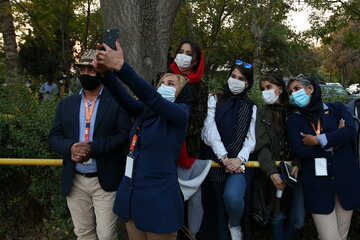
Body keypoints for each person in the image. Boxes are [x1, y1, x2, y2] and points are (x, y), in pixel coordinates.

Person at [93, 41, 192, 240]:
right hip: (132, 202)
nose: (164, 86)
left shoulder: (180, 115)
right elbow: (124, 98)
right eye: (162, 83)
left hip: (160, 205)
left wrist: (122, 68)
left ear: (181, 94)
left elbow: (152, 98)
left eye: (171, 84)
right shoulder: (146, 113)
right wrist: (105, 74)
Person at [48, 49, 132, 240]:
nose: (86, 74)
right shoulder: (66, 104)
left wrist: (92, 148)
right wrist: (71, 147)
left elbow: (124, 135)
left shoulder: (117, 101)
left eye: (91, 70)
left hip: (105, 180)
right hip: (75, 180)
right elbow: (54, 136)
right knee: (83, 233)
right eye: (82, 70)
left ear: (102, 72)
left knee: (107, 235)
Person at [286, 74, 360, 240]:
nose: (293, 94)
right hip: (318, 187)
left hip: (345, 181)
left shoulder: (337, 108)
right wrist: (334, 142)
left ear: (310, 89)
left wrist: (318, 140)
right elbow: (300, 150)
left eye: (296, 88)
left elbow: (349, 132)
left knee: (342, 236)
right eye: (290, 92)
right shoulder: (294, 120)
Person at [199, 60, 257, 240]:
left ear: (248, 84)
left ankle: (235, 225)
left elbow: (250, 139)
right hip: (218, 162)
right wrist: (224, 158)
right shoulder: (214, 98)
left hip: (240, 164)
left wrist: (239, 160)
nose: (235, 80)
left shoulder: (251, 106)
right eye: (233, 76)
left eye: (241, 78)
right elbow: (209, 132)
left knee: (233, 198)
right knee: (218, 211)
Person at [255, 74, 304, 240]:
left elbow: (301, 142)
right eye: (262, 89)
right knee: (277, 216)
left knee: (298, 220)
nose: (265, 91)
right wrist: (272, 173)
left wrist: (298, 163)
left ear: (280, 89)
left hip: (296, 172)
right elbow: (262, 145)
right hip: (273, 174)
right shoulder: (261, 113)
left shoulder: (294, 112)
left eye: (269, 87)